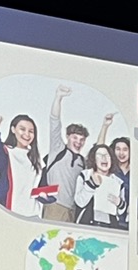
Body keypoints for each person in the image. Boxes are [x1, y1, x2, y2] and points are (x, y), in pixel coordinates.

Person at [41, 90, 112, 222]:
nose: (78, 142)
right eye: (75, 138)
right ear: (67, 136)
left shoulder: (82, 162)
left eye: (82, 139)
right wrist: (58, 97)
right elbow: (54, 122)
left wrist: (105, 126)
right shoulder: (58, 149)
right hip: (55, 207)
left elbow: (99, 150)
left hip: (73, 210)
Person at [0, 113, 40, 216]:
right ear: (13, 129)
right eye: (22, 129)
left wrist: (45, 196)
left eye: (31, 131)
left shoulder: (35, 158)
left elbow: (35, 187)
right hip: (10, 212)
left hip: (32, 213)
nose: (27, 134)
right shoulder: (8, 152)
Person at [75, 144, 126, 229]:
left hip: (110, 226)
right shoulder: (85, 175)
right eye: (99, 155)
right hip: (87, 224)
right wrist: (92, 185)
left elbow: (121, 211)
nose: (104, 158)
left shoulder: (118, 182)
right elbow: (79, 202)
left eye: (107, 155)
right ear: (94, 159)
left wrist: (119, 203)